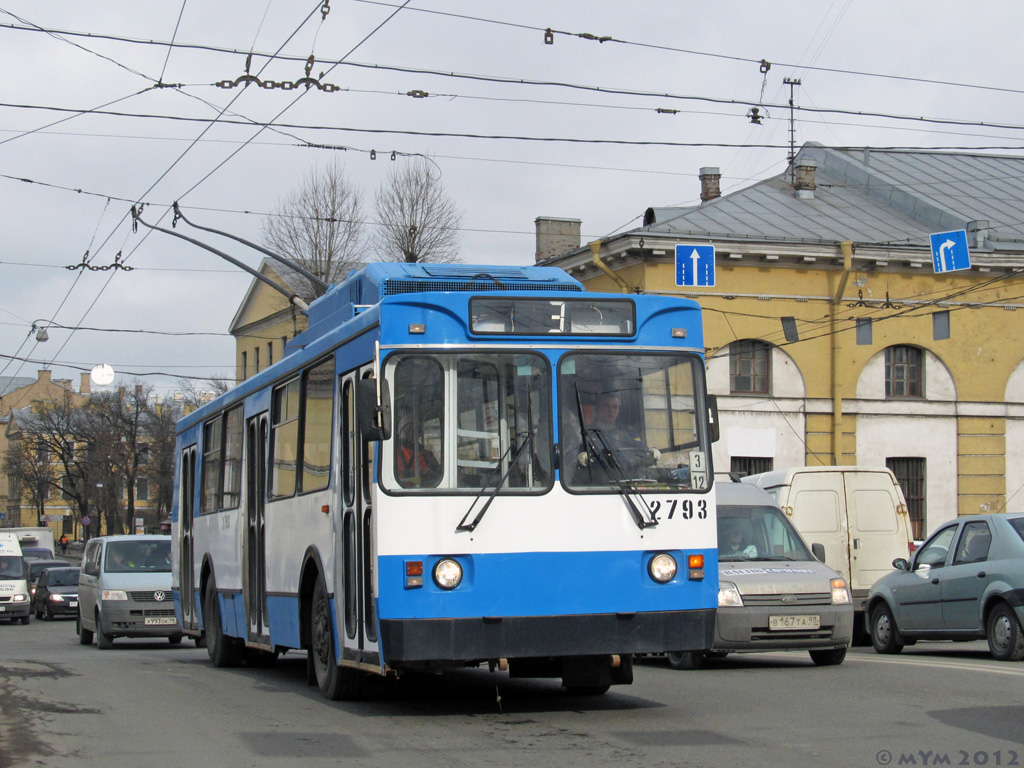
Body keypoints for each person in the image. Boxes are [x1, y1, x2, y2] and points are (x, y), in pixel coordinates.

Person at [395, 417, 441, 487]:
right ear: (400, 432)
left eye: (415, 430)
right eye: (408, 430)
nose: (411, 433)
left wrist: (431, 473)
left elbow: (438, 474)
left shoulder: (427, 455)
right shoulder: (393, 454)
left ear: (419, 434)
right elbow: (393, 476)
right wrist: (418, 473)